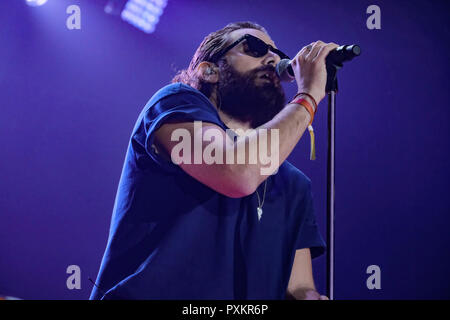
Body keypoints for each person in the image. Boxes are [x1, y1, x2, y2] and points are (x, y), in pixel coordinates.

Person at [90, 21, 338, 300]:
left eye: (277, 54)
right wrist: (307, 97)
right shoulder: (175, 104)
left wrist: (310, 297)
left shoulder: (293, 184)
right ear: (209, 71)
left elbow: (298, 287)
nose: (272, 59)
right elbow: (236, 171)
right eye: (254, 48)